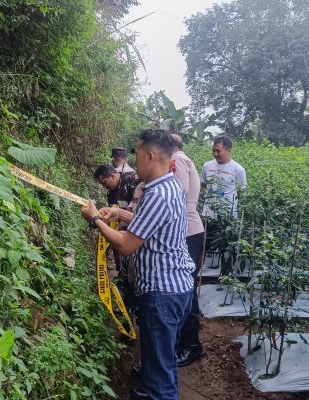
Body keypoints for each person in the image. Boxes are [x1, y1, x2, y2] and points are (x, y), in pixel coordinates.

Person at [81, 129, 195, 400]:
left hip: (162, 293)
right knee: (163, 363)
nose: (135, 160)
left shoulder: (158, 195)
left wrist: (95, 219)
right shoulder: (167, 186)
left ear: (151, 156)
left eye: (138, 154)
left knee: (159, 378)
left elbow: (126, 245)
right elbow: (149, 224)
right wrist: (119, 212)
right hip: (176, 288)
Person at [169, 134, 206, 367]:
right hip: (189, 229)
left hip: (188, 231)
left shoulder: (178, 161)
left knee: (187, 288)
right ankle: (186, 341)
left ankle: (192, 345)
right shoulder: (183, 159)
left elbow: (177, 195)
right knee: (186, 286)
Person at [200, 135, 247, 275]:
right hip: (208, 214)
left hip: (227, 217)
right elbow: (202, 185)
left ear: (228, 150)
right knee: (202, 246)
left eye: (218, 151)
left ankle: (225, 276)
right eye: (213, 150)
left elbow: (241, 192)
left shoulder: (238, 170)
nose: (215, 154)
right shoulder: (207, 166)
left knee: (226, 249)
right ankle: (196, 274)